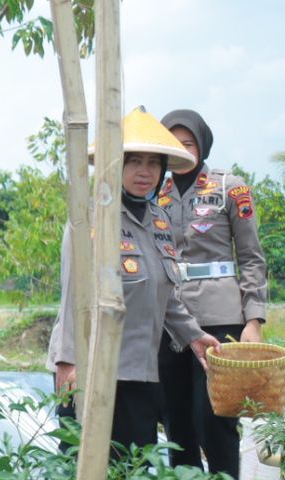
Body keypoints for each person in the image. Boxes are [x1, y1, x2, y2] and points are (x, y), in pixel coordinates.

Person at [48, 108, 220, 452]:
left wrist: (195, 336)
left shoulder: (158, 220)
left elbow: (165, 295)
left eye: (154, 163)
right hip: (92, 370)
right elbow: (73, 294)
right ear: (116, 165)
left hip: (140, 373)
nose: (145, 172)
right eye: (134, 161)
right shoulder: (91, 217)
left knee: (131, 471)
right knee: (84, 476)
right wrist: (68, 361)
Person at [155, 109, 268, 479]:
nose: (181, 151)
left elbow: (251, 257)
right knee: (175, 418)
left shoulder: (229, 187)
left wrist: (254, 320)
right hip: (169, 319)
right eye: (172, 144)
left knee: (214, 415)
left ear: (201, 145)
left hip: (220, 317)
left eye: (187, 143)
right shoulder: (155, 190)